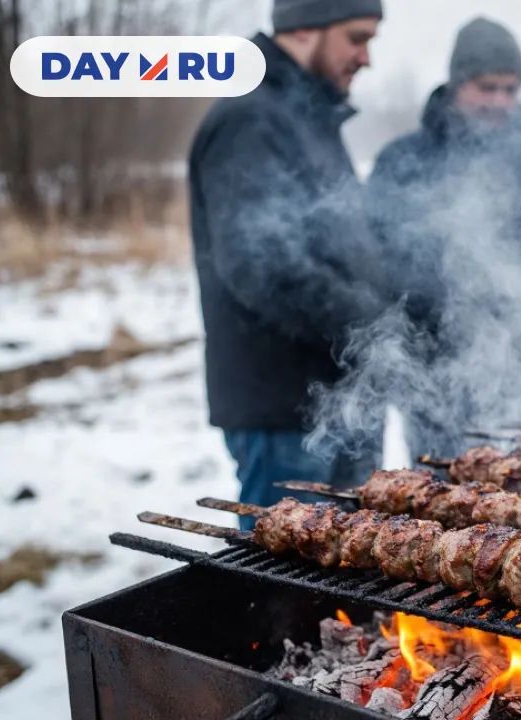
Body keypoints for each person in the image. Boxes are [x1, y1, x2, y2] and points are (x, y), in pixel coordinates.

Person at [188, 0, 387, 527]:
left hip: (345, 399)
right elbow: (261, 264)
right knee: (286, 597)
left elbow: (343, 243)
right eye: (357, 37)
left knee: (363, 592)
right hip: (286, 414)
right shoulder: (250, 119)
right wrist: (373, 319)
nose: (366, 57)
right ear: (305, 28)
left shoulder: (308, 117)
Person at [367, 17, 521, 459]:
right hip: (437, 385)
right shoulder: (403, 161)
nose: (499, 101)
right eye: (486, 87)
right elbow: (374, 263)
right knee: (439, 512)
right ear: (457, 83)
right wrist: (421, 331)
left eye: (510, 89)